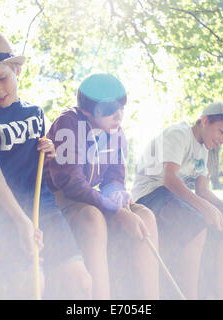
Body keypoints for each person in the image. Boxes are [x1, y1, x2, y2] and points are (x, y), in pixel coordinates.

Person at [0, 30, 91, 299]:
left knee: (80, 281)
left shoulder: (35, 113)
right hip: (3, 213)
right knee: (31, 284)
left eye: (2, 78)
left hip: (43, 208)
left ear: (16, 70)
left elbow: (34, 157)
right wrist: (21, 222)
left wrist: (48, 149)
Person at [45, 73, 159, 299]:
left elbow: (114, 178)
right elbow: (71, 183)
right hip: (58, 199)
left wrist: (117, 194)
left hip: (88, 197)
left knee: (145, 215)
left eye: (121, 108)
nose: (118, 115)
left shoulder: (115, 132)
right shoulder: (69, 123)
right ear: (88, 110)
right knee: (93, 219)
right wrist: (115, 211)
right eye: (109, 109)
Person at [133, 102, 223, 299]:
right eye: (220, 132)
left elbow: (202, 189)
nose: (222, 140)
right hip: (151, 194)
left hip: (174, 198)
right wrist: (206, 209)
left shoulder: (204, 148)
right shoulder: (179, 134)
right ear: (205, 121)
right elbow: (169, 180)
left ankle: (222, 295)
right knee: (196, 222)